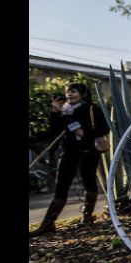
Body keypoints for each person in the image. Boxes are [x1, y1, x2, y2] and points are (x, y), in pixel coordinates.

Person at [29, 83, 110, 237]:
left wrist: (85, 132)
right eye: (67, 92)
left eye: (73, 92)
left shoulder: (92, 109)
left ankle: (87, 218)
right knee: (62, 186)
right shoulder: (64, 111)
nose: (69, 95)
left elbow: (104, 129)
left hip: (88, 152)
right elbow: (54, 131)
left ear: (82, 94)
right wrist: (55, 112)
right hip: (69, 153)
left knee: (89, 182)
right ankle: (47, 224)